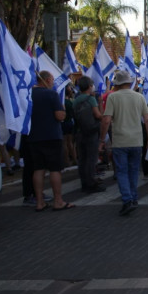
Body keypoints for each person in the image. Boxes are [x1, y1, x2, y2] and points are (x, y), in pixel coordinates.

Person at [100, 69, 148, 216]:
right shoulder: (139, 97)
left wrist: (102, 140)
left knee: (122, 171)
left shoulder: (113, 97)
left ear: (117, 84)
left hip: (120, 140)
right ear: (129, 83)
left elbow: (106, 120)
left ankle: (127, 199)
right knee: (133, 171)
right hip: (136, 140)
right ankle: (133, 197)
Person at [29, 71, 73, 211]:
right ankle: (58, 201)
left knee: (38, 169)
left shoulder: (28, 95)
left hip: (34, 136)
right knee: (55, 169)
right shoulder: (51, 94)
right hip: (51, 136)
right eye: (53, 80)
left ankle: (39, 202)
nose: (53, 82)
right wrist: (63, 111)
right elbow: (59, 116)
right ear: (47, 80)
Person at [74, 76, 105, 193]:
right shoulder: (90, 99)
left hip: (79, 131)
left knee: (82, 159)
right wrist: (101, 106)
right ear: (89, 86)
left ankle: (84, 182)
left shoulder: (76, 99)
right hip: (91, 131)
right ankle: (91, 183)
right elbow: (97, 115)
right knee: (91, 159)